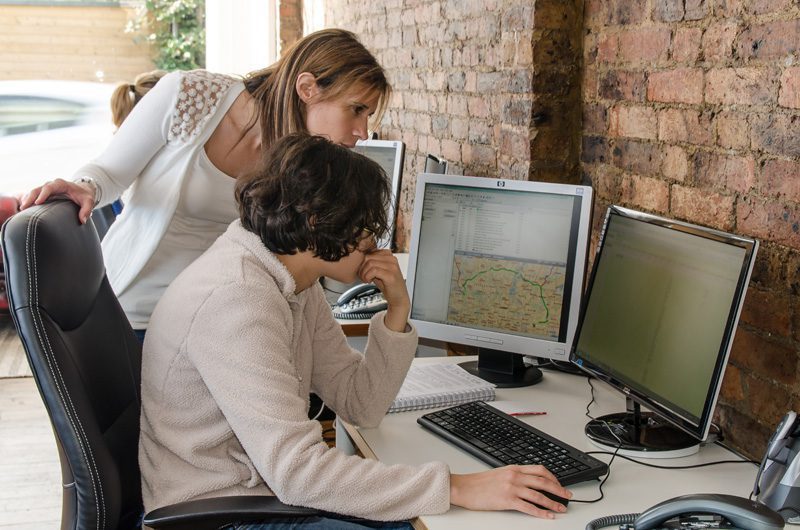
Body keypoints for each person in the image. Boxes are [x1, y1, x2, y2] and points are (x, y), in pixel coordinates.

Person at [139, 133, 573, 529]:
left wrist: (398, 310)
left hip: (268, 494)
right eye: (365, 226)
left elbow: (359, 404)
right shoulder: (237, 300)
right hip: (226, 515)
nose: (375, 240)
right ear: (317, 222)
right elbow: (297, 473)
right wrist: (456, 486)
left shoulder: (294, 278)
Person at [18, 29, 389, 339]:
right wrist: (85, 186)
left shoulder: (305, 164)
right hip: (133, 313)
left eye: (368, 115)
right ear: (307, 88)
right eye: (356, 109)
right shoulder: (190, 96)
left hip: (214, 324)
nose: (362, 131)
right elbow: (109, 173)